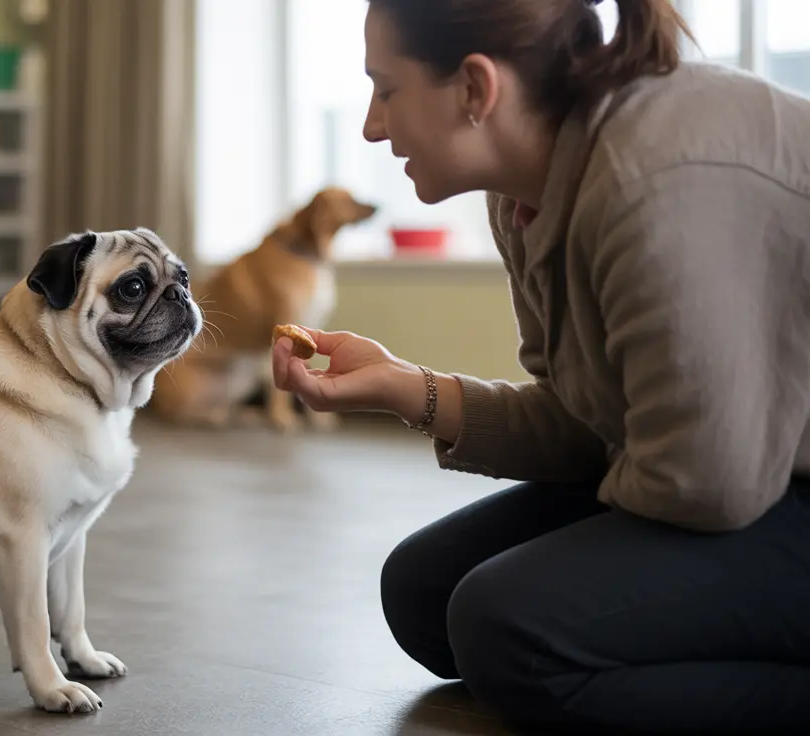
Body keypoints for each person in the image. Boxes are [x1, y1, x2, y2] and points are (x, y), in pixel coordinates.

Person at [273, 0, 810, 732]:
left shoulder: (649, 180)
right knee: (424, 593)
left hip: (755, 485)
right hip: (735, 478)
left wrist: (572, 554)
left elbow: (707, 485)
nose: (372, 123)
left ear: (474, 88)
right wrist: (406, 389)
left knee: (504, 627)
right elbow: (588, 422)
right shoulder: (524, 193)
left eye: (386, 88)